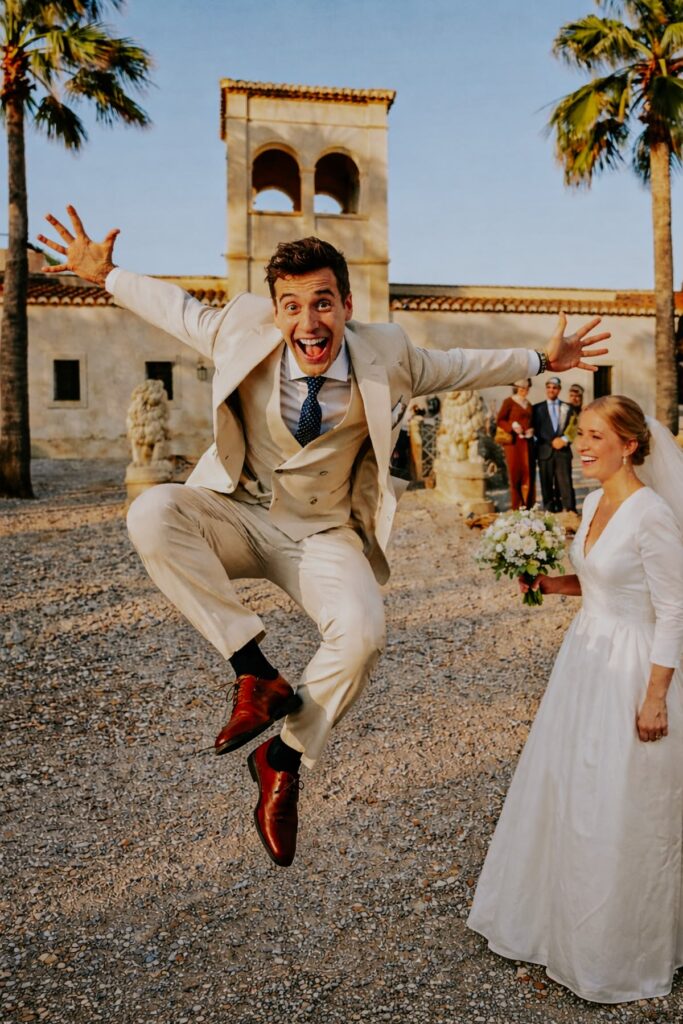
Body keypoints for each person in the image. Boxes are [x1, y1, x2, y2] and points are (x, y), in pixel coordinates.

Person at [37, 206, 609, 868]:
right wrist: (106, 275)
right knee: (152, 512)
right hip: (239, 511)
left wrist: (541, 357)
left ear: (345, 303)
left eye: (321, 303)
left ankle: (281, 760)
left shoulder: (385, 353)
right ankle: (254, 674)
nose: (308, 323)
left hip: (321, 533)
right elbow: (177, 310)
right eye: (291, 306)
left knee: (363, 635)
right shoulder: (241, 330)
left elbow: (455, 363)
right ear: (275, 310)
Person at [468, 396, 683, 1003]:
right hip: (584, 658)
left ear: (631, 445)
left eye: (596, 436)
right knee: (569, 789)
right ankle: (554, 924)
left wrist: (655, 698)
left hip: (632, 667)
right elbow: (597, 583)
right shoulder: (592, 502)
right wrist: (548, 581)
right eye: (582, 434)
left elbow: (673, 611)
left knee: (617, 799)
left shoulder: (652, 514)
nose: (583, 446)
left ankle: (619, 949)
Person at [532, 377, 575, 511]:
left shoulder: (567, 407)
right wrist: (550, 441)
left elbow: (574, 427)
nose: (551, 390)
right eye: (549, 387)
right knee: (546, 484)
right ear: (546, 389)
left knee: (565, 483)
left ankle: (570, 511)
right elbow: (535, 429)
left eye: (554, 387)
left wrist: (564, 439)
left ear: (559, 390)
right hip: (545, 451)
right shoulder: (537, 408)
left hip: (563, 451)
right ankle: (550, 512)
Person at [495, 379, 535, 509]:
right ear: (516, 387)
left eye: (527, 387)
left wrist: (531, 430)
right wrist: (511, 425)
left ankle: (527, 506)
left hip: (526, 443)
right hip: (513, 444)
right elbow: (500, 420)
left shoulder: (528, 404)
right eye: (522, 387)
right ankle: (516, 507)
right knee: (515, 474)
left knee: (527, 474)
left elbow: (531, 422)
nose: (524, 390)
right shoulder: (509, 402)